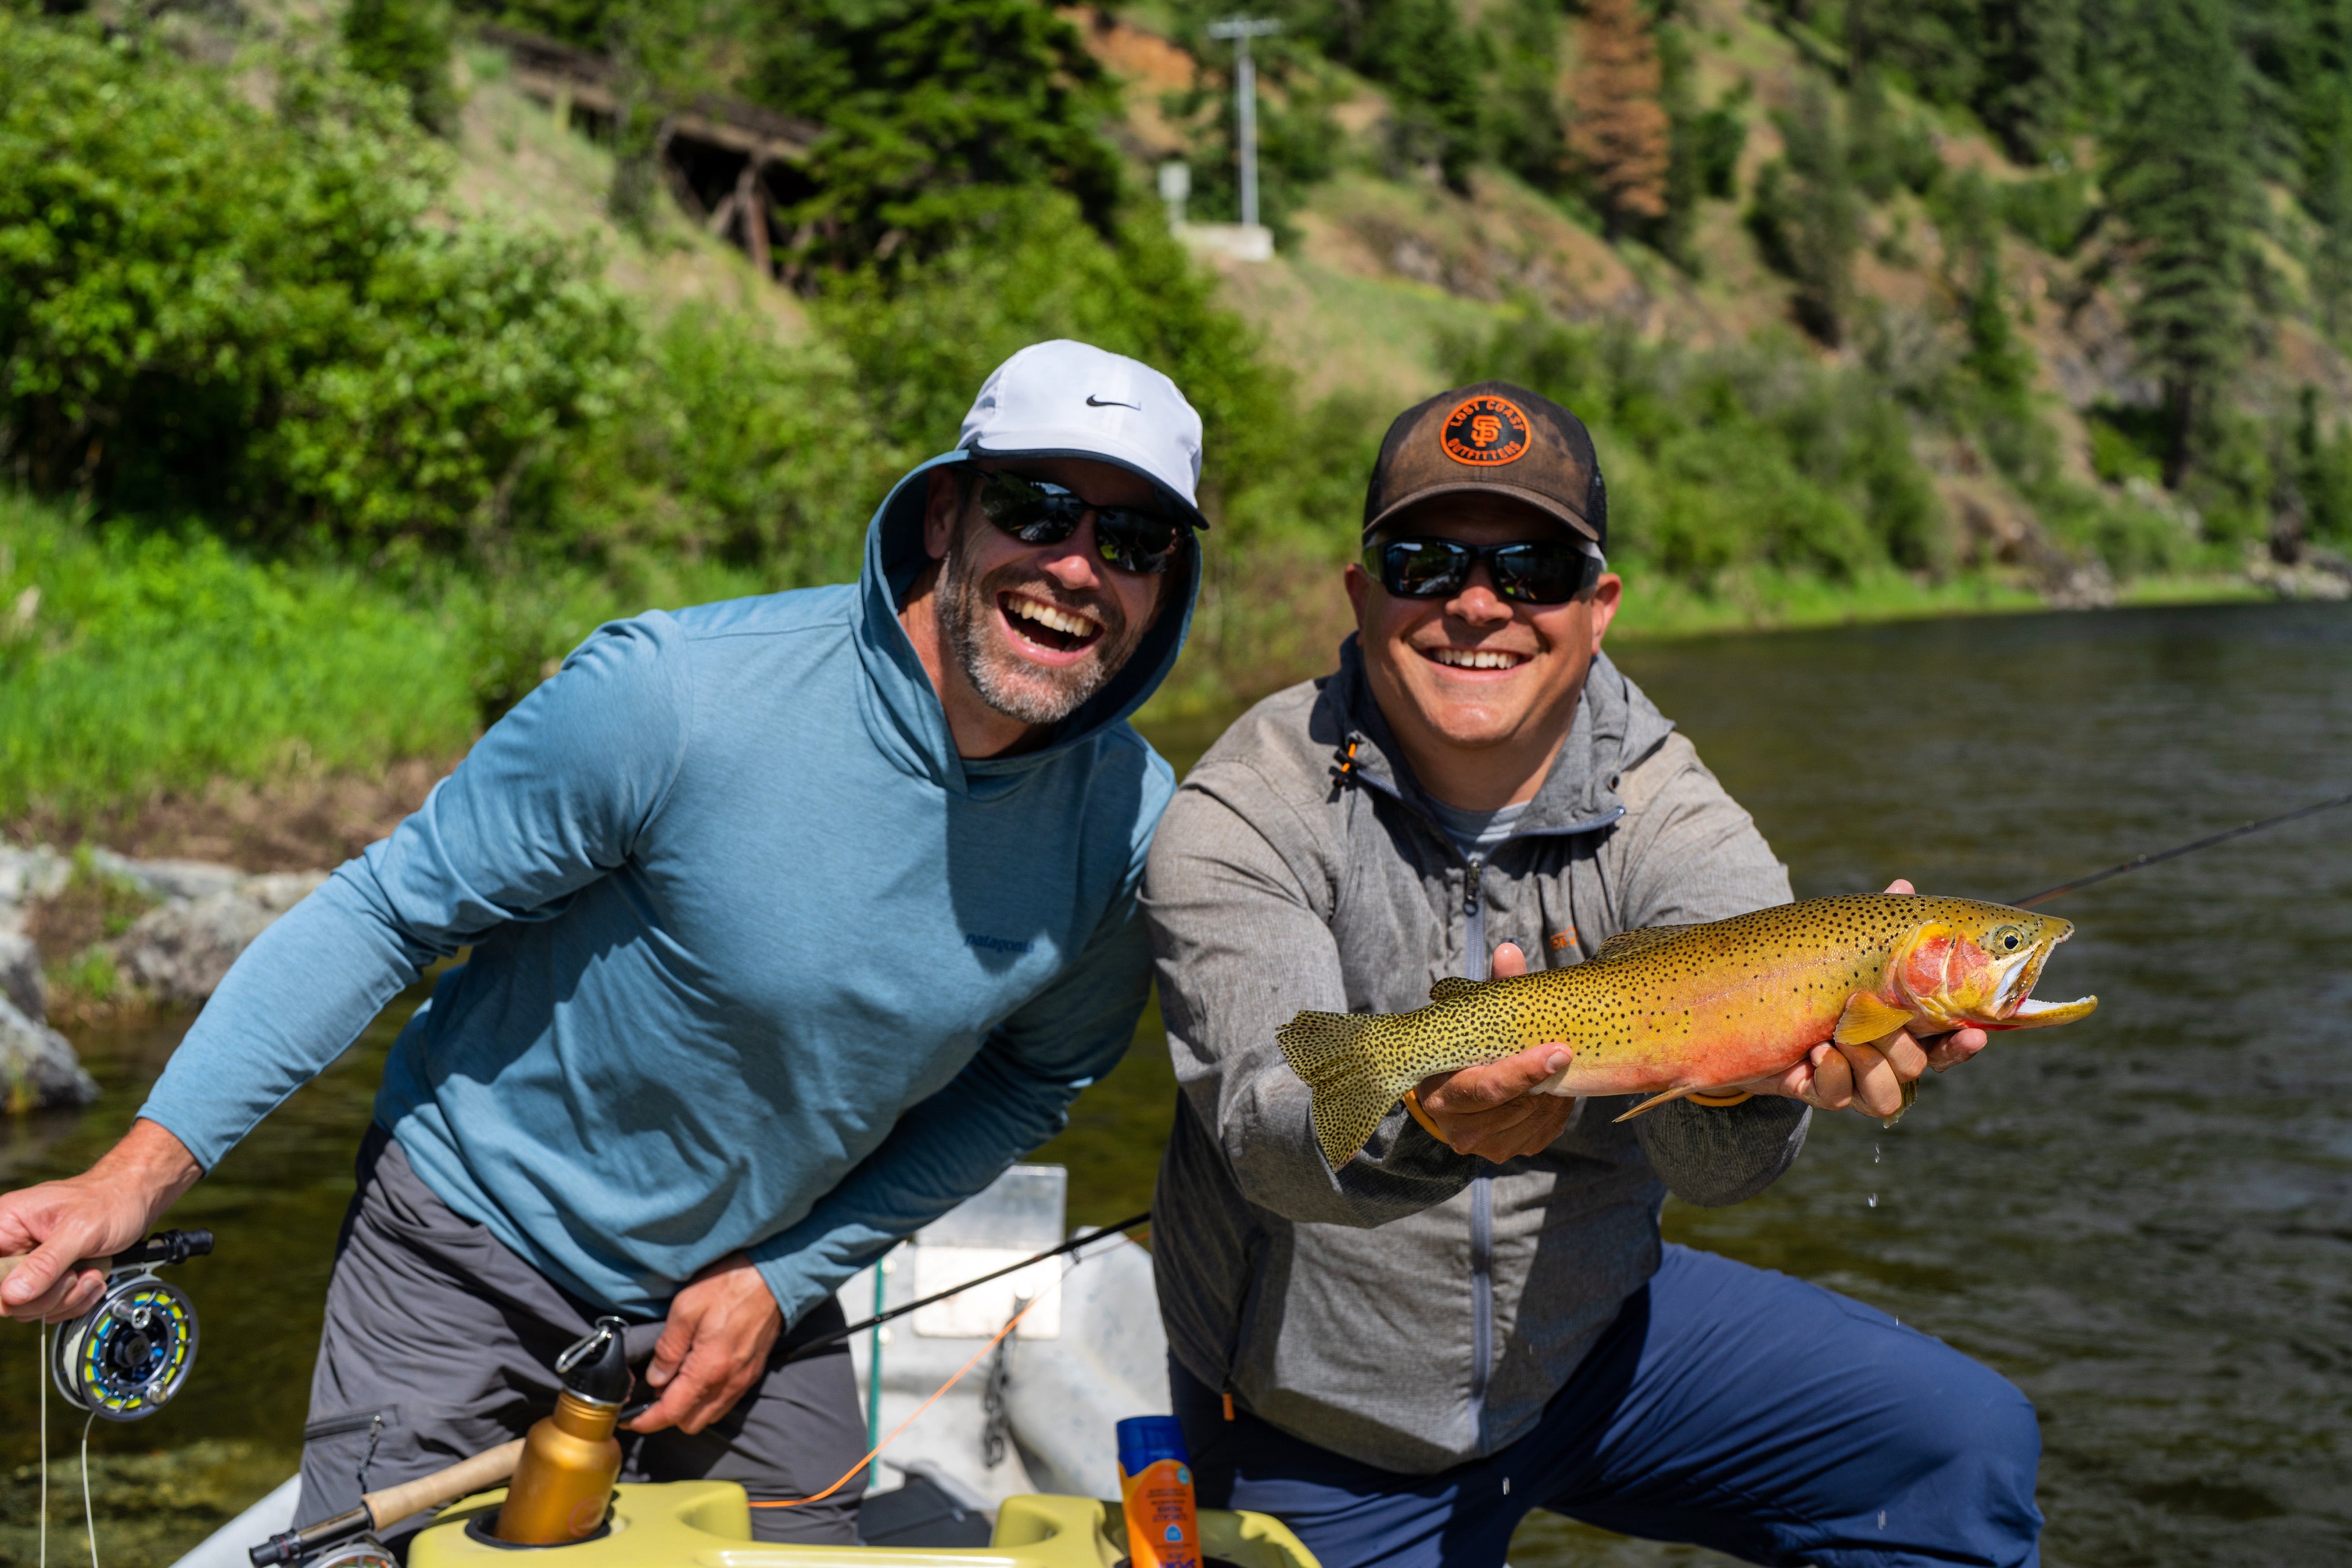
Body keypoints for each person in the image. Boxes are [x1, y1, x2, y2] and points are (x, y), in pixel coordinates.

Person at [0, 340, 1210, 1548]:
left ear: (1166, 583)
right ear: (946, 510)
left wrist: (782, 1279)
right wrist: (133, 1178)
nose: (1073, 567)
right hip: (466, 1246)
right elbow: (383, 912)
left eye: (1132, 541)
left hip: (755, 1289)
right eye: (1037, 508)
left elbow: (1036, 1077)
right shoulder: (673, 696)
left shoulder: (1126, 832)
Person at [1142, 382, 2042, 1567]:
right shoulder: (1242, 810)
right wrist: (1429, 1127)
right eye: (1424, 562)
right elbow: (1267, 1136)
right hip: (1315, 1414)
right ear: (1360, 595)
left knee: (1957, 1441)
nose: (1476, 604)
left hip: (1593, 1350)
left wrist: (1770, 1079)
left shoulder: (1675, 813)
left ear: (1596, 605)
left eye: (1531, 569)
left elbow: (1716, 1173)